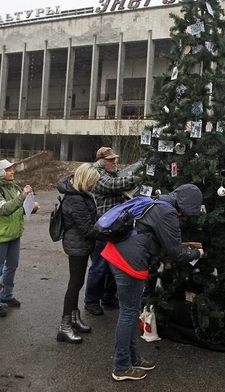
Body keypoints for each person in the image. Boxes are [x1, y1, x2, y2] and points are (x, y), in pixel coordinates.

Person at [101, 184, 204, 381]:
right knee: (128, 313)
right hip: (129, 261)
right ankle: (121, 366)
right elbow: (175, 252)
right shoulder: (167, 212)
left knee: (131, 311)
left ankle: (134, 358)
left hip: (121, 253)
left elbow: (163, 240)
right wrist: (196, 253)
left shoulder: (158, 202)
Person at [84, 147, 137, 316]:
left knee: (114, 264)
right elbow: (113, 185)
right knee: (99, 266)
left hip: (117, 227)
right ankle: (91, 301)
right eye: (110, 160)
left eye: (115, 159)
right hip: (103, 228)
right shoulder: (97, 176)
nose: (115, 162)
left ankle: (108, 296)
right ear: (101, 162)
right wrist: (139, 176)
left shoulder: (114, 173)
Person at [0, 159, 39, 318]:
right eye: (8, 170)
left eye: (11, 169)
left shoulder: (13, 187)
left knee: (12, 266)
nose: (12, 172)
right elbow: (5, 209)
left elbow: (18, 209)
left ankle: (6, 295)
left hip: (14, 234)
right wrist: (22, 196)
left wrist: (31, 208)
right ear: (0, 172)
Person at [55, 163, 101, 344]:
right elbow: (87, 229)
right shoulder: (75, 199)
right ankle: (64, 326)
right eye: (92, 182)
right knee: (74, 284)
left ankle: (74, 318)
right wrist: (108, 229)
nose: (94, 186)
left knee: (78, 282)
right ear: (85, 180)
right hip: (77, 245)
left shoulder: (79, 194)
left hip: (79, 244)